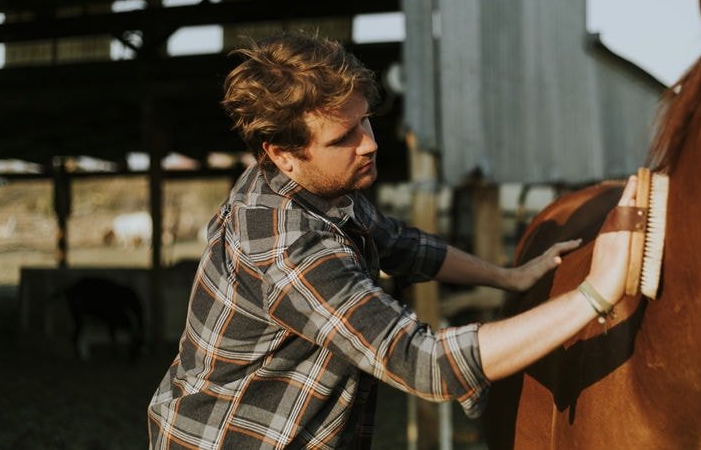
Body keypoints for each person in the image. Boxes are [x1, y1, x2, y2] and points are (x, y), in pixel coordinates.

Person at [147, 32, 638, 449]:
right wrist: (595, 293)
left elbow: (404, 244)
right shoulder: (287, 247)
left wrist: (508, 277)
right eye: (344, 137)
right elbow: (425, 365)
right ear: (283, 154)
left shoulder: (315, 190)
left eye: (365, 120)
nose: (370, 142)